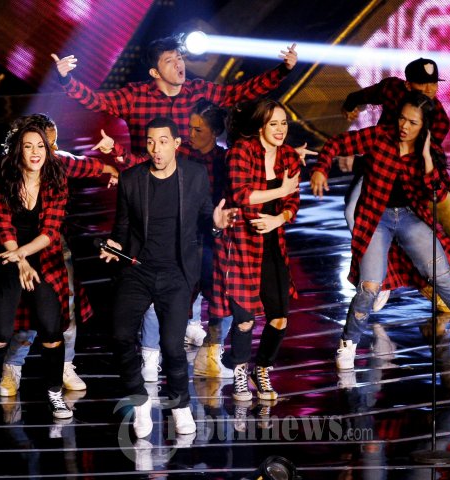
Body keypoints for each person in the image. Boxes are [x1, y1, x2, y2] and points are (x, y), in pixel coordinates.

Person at [311, 91, 450, 371]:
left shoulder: (430, 153)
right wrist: (320, 169)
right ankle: (348, 343)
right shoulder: (380, 137)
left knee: (443, 277)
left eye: (413, 122)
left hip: (410, 218)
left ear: (424, 127)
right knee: (369, 286)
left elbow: (437, 193)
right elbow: (336, 143)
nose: (404, 126)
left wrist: (427, 160)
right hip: (375, 218)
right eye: (402, 119)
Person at [99, 117, 236, 438]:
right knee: (120, 336)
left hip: (176, 272)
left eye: (162, 142)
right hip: (137, 269)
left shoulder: (195, 175)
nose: (155, 149)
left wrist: (216, 224)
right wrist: (114, 245)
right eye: (150, 142)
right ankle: (139, 399)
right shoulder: (131, 179)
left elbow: (206, 216)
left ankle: (180, 405)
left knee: (173, 347)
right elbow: (121, 227)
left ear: (176, 143)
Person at [325, 57, 450, 313]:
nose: (429, 90)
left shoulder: (438, 120)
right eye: (421, 84)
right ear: (407, 85)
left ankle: (418, 281)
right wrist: (350, 103)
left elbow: (422, 162)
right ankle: (379, 277)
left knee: (418, 231)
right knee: (352, 211)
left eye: (433, 84)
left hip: (409, 181)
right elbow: (365, 94)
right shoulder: (392, 90)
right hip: (378, 170)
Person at [0, 114, 119, 397]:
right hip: (14, 248)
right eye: (41, 144)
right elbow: (2, 222)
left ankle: (65, 363)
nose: (49, 151)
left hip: (51, 247)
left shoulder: (57, 162)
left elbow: (85, 164)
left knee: (66, 305)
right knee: (22, 308)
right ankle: (12, 366)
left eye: (51, 145)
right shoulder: (5, 170)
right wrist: (19, 256)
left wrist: (111, 168)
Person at [0, 119, 73, 420]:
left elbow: (50, 231)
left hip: (44, 258)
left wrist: (25, 257)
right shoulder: (3, 179)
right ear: (19, 150)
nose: (35, 152)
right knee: (0, 332)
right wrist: (20, 261)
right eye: (28, 147)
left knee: (52, 330)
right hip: (7, 257)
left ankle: (55, 393)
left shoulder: (56, 180)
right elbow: (4, 227)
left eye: (40, 146)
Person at [51, 35, 298, 154]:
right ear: (154, 72)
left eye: (179, 58)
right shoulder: (135, 96)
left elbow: (239, 93)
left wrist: (282, 71)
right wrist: (66, 79)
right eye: (169, 61)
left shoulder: (198, 90)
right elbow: (97, 101)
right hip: (150, 182)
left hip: (193, 180)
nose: (179, 64)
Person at [209, 98, 301, 401]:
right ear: (260, 126)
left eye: (283, 123)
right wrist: (281, 190)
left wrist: (279, 218)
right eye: (273, 123)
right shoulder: (241, 152)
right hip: (241, 241)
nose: (280, 129)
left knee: (279, 318)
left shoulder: (289, 156)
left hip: (273, 241)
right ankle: (239, 370)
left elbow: (293, 200)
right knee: (245, 318)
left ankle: (261, 368)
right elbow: (241, 194)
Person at [136, 100, 235, 379]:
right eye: (189, 129)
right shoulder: (182, 155)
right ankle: (150, 355)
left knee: (223, 296)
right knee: (160, 294)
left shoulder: (225, 159)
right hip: (180, 236)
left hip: (212, 236)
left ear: (215, 132)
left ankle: (210, 353)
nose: (191, 135)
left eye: (198, 130)